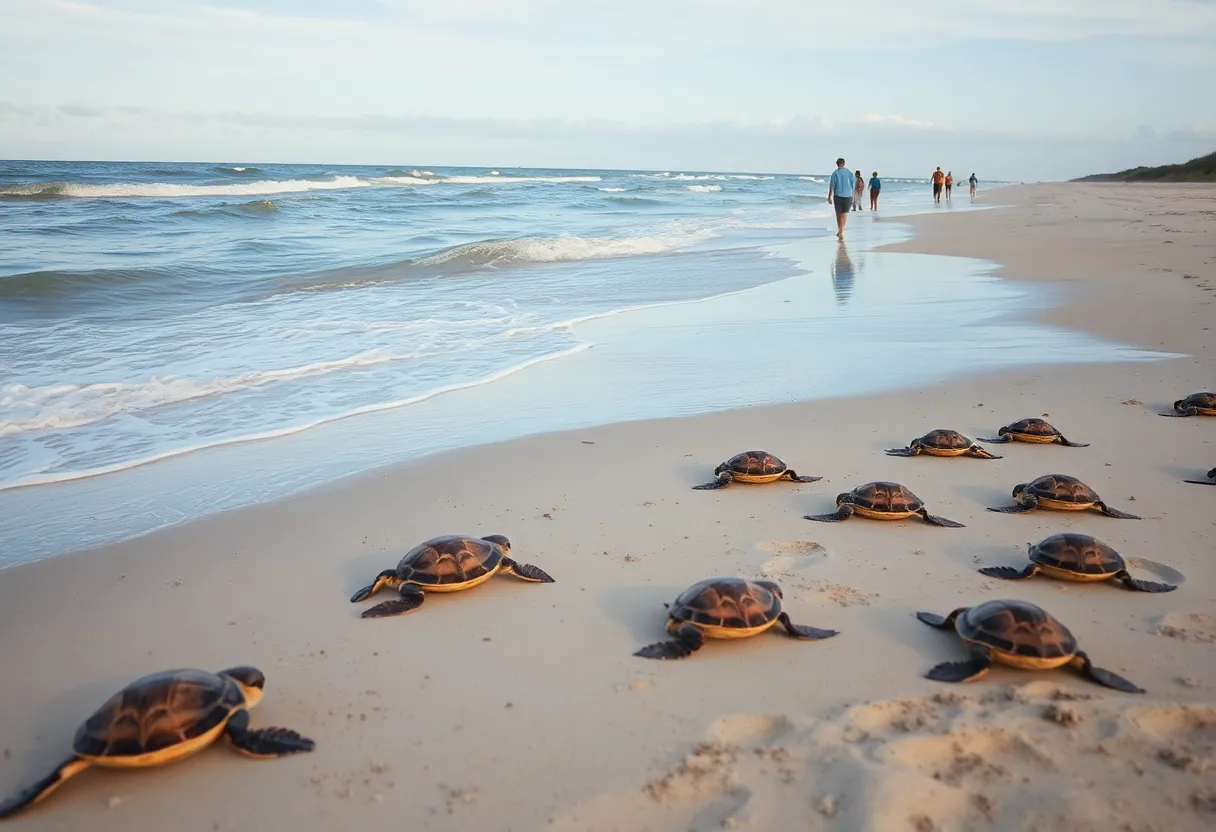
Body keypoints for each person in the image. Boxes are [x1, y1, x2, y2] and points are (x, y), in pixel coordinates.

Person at [827, 157, 854, 239]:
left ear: (837, 164)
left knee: (838, 214)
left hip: (838, 195)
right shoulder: (849, 172)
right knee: (845, 213)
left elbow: (831, 185)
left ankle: (840, 229)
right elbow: (853, 183)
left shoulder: (835, 173)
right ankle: (841, 230)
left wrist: (829, 197)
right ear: (844, 163)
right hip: (848, 195)